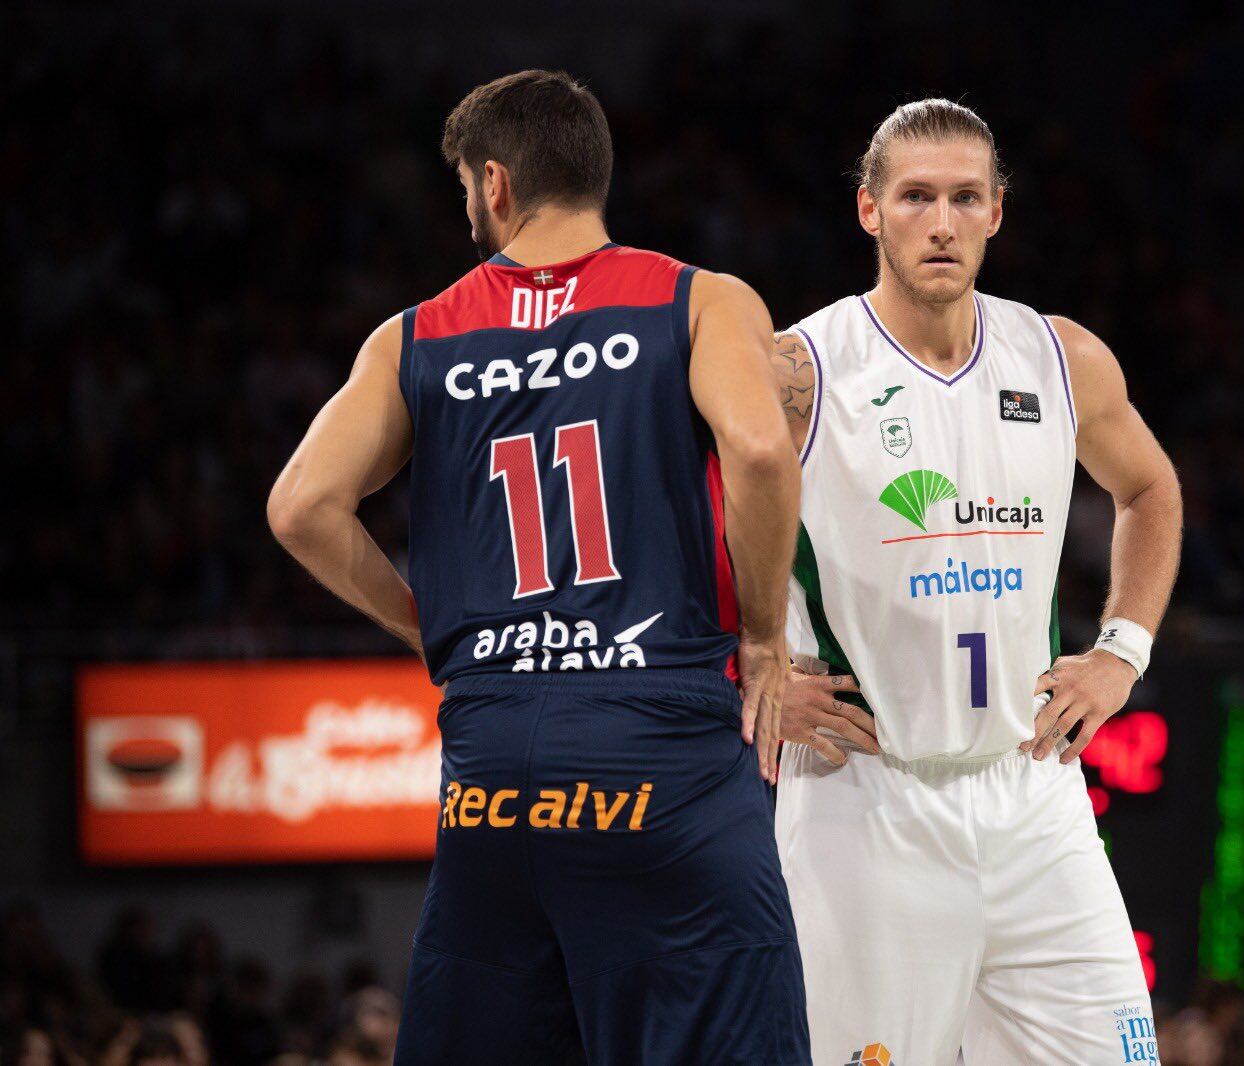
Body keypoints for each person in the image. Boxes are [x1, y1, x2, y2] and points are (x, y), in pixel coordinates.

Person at [269, 69, 807, 1063]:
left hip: (493, 771)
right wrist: (768, 636)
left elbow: (300, 506)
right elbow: (764, 452)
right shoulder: (698, 299)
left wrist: (423, 625)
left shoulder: (414, 335)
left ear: (495, 184)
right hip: (661, 744)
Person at [771, 98, 1182, 1063]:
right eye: (916, 196)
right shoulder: (799, 369)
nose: (942, 222)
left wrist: (1123, 653)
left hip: (1034, 794)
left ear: (998, 210)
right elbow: (668, 532)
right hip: (864, 801)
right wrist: (747, 668)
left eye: (965, 197)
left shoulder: (1061, 356)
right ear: (869, 209)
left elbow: (1152, 488)